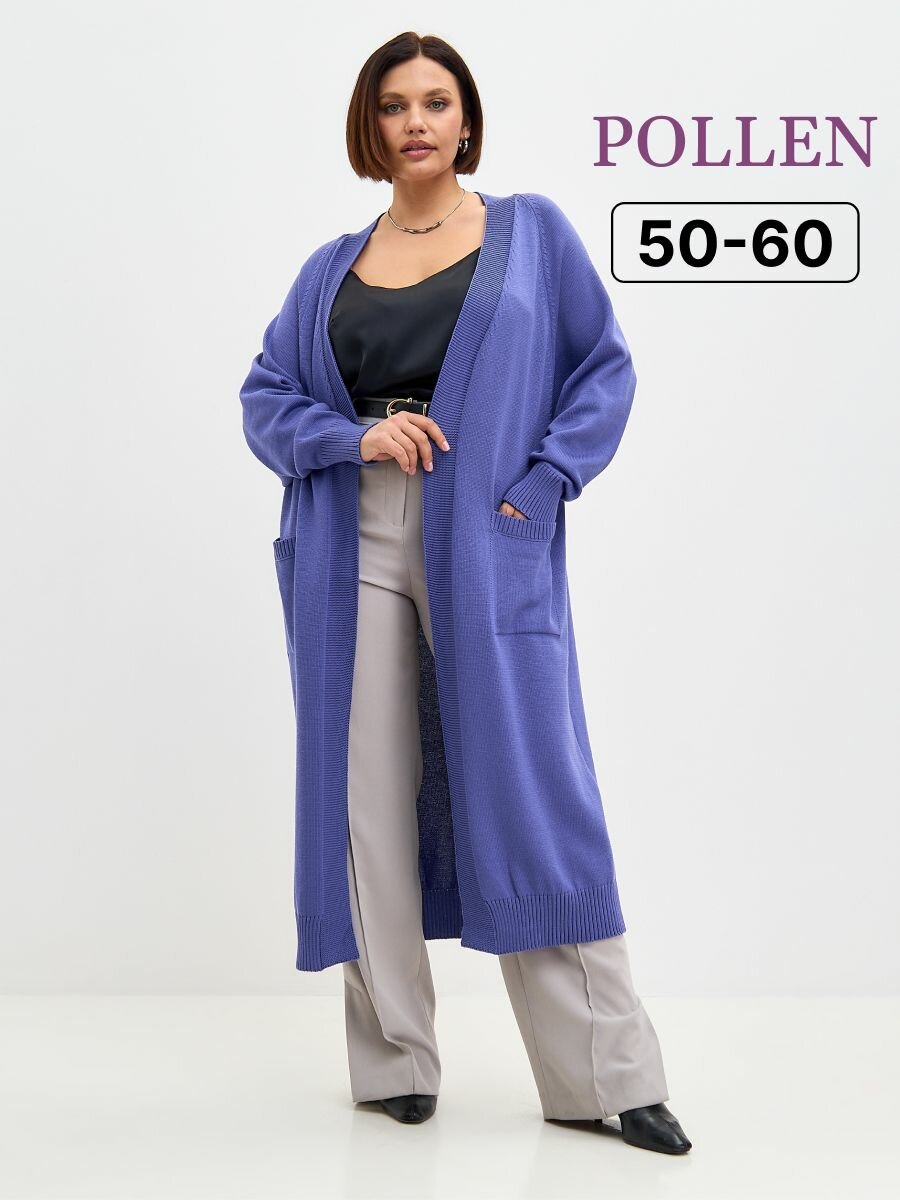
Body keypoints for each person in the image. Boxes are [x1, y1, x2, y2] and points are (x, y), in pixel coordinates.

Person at [239, 31, 692, 1155]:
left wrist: (543, 486)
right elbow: (265, 396)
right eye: (395, 105)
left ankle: (605, 1076)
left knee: (532, 785)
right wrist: (351, 436)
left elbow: (604, 368)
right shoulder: (330, 266)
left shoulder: (529, 234)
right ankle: (395, 1061)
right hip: (349, 534)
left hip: (487, 533)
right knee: (364, 796)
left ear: (467, 118)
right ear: (371, 126)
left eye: (437, 102)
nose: (418, 122)